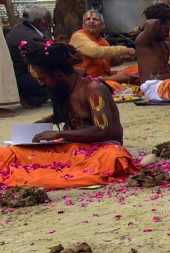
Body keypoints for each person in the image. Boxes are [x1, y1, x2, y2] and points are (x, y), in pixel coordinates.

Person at [0, 41, 136, 189]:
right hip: (71, 150)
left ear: (58, 75)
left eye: (42, 79)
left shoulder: (93, 89)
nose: (41, 84)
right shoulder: (63, 90)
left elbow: (103, 130)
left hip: (101, 150)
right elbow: (68, 116)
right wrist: (41, 125)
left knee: (114, 158)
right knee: (6, 154)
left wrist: (59, 134)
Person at [69, 9, 136, 84]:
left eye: (95, 19)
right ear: (83, 25)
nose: (91, 21)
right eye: (87, 19)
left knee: (134, 71)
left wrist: (122, 58)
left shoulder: (104, 42)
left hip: (104, 78)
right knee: (125, 76)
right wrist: (125, 50)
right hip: (87, 81)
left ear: (103, 25)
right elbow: (96, 52)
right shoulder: (78, 36)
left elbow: (109, 62)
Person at [6, 6, 53, 107]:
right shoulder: (33, 38)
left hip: (15, 78)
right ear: (41, 21)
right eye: (49, 20)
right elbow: (48, 61)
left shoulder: (18, 29)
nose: (51, 23)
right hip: (25, 81)